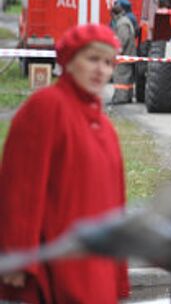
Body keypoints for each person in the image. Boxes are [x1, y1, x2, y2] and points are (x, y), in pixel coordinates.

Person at [0, 24, 129, 303]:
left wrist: (118, 269)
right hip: (58, 261)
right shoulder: (46, 107)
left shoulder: (104, 125)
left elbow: (115, 203)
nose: (101, 70)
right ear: (69, 61)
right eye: (92, 59)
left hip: (98, 264)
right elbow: (20, 188)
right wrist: (17, 256)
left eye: (108, 62)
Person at [110, 0, 136, 104]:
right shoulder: (125, 21)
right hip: (128, 54)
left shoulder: (122, 23)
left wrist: (117, 51)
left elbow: (122, 39)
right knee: (127, 78)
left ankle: (120, 98)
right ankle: (127, 96)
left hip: (124, 55)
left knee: (121, 77)